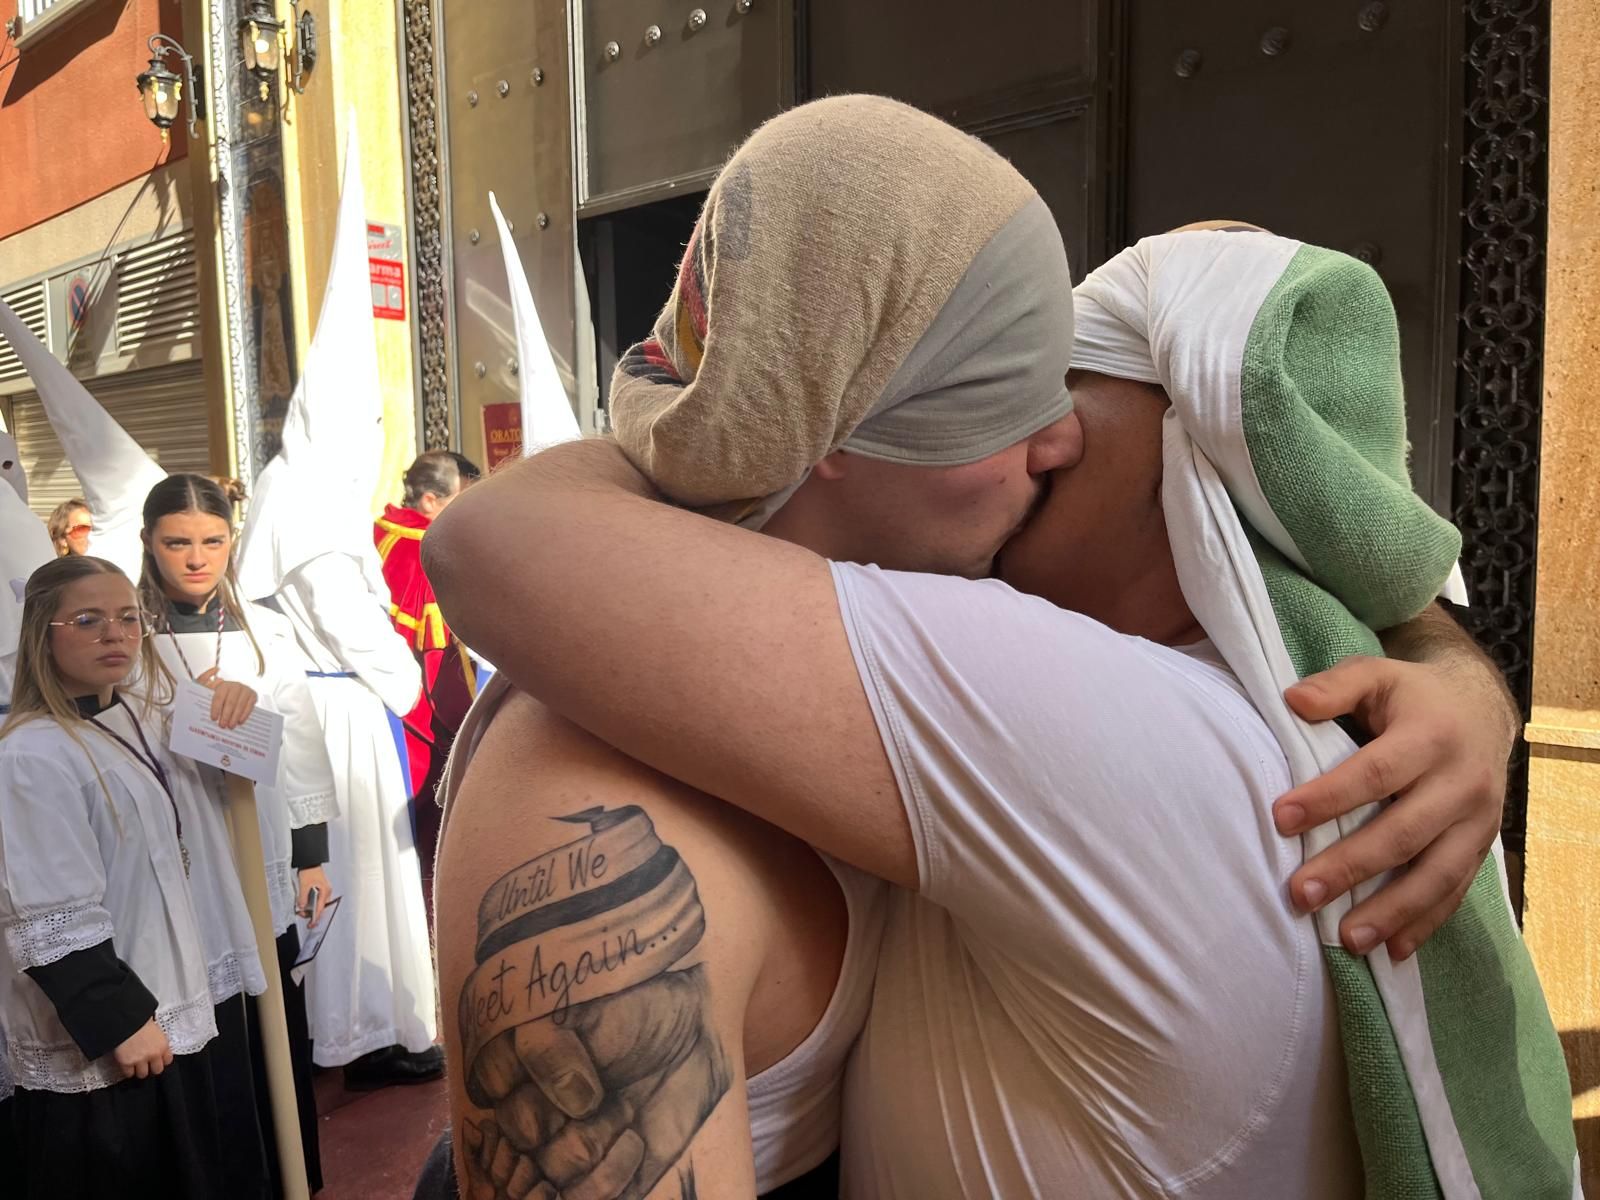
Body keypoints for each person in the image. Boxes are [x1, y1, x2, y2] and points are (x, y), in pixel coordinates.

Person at [423, 99, 1556, 1197]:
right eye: (1007, 384)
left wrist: (1459, 672)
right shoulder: (592, 773)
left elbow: (500, 537)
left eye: (1066, 374)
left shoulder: (1098, 713)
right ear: (835, 420)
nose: (1051, 429)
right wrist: (1458, 669)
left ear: (1204, 474)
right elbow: (487, 541)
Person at [236, 120, 441, 1092]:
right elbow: (350, 617)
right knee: (361, 879)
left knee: (362, 881)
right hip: (337, 711)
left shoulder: (290, 486)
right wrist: (407, 691)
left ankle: (374, 1026)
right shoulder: (310, 501)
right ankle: (369, 1032)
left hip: (326, 705)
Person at [0, 555, 225, 1198]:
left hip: (157, 1005)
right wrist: (121, 1019)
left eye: (129, 618)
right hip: (106, 1037)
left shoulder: (117, 719)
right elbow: (46, 909)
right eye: (88, 619)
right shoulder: (32, 753)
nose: (115, 634)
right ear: (43, 632)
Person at [141, 473, 339, 1192]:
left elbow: (305, 745)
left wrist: (312, 859)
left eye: (213, 541)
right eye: (178, 542)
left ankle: (284, 1172)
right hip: (177, 852)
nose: (197, 558)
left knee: (270, 1024)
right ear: (148, 543)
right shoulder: (127, 633)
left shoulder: (267, 627)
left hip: (261, 847)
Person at [375, 449, 483, 908]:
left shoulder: (378, 530)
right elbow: (444, 668)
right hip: (418, 715)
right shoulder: (428, 551)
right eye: (463, 500)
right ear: (429, 501)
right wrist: (471, 731)